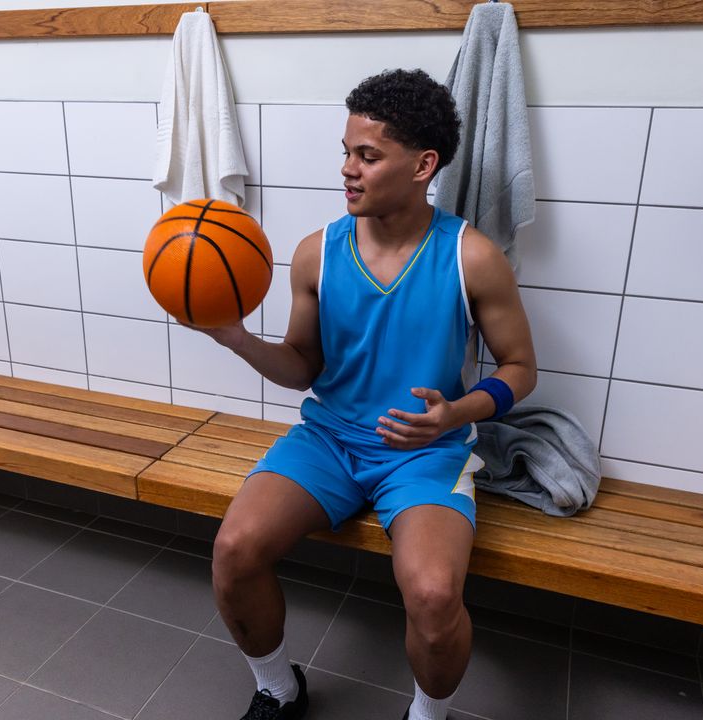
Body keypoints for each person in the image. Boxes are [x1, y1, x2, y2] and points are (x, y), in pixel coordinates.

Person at [197, 68, 537, 720]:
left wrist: (454, 415)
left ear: (423, 164)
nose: (347, 169)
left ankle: (425, 718)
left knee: (435, 595)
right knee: (235, 551)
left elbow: (520, 367)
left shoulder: (471, 257)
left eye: (368, 155)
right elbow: (302, 367)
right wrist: (236, 339)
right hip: (330, 438)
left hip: (424, 450)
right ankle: (278, 689)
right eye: (346, 151)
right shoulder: (314, 254)